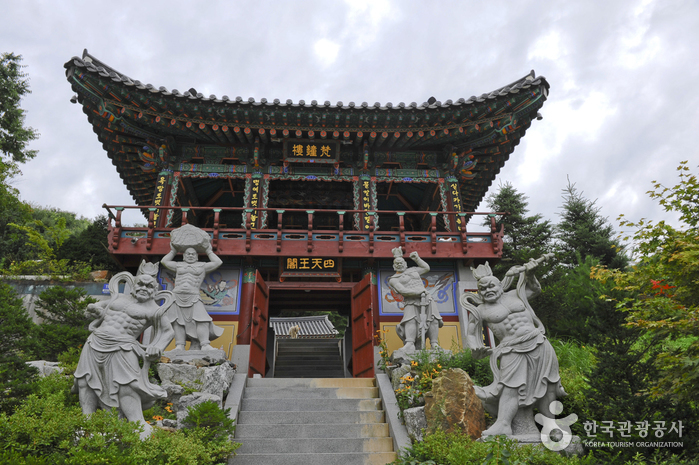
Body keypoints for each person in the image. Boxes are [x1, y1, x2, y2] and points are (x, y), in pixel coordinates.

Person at [462, 255, 565, 437]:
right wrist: (475, 347)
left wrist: (530, 274)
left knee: (548, 384)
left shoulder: (515, 294)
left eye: (491, 286)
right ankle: (503, 424)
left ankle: (551, 425)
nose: (487, 290)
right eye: (482, 288)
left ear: (500, 285)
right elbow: (471, 333)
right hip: (511, 348)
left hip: (538, 342)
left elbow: (535, 289)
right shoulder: (480, 310)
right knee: (510, 387)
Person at [73, 269, 174, 439]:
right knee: (85, 381)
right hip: (95, 341)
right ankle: (87, 422)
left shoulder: (154, 310)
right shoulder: (118, 298)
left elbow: (168, 331)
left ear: (155, 290)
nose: (144, 288)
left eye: (149, 286)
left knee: (127, 385)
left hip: (123, 347)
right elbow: (96, 308)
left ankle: (137, 423)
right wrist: (93, 309)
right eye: (140, 284)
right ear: (133, 285)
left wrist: (157, 346)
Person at [161, 241, 223, 351]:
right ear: (184, 256)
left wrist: (208, 250)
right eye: (188, 254)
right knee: (177, 321)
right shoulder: (178, 265)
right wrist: (173, 251)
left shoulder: (202, 266)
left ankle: (205, 344)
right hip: (177, 295)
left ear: (197, 256)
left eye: (193, 254)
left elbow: (218, 262)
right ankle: (180, 345)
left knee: (202, 320)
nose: (190, 255)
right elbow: (164, 261)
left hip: (193, 295)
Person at [388, 247, 443, 353]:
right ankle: (410, 343)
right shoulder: (394, 279)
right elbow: (402, 290)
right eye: (397, 263)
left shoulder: (413, 270)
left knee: (433, 319)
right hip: (411, 301)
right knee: (410, 320)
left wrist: (417, 259)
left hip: (426, 298)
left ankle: (434, 343)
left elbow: (426, 268)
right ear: (394, 266)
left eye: (401, 262)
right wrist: (418, 292)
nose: (399, 264)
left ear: (405, 263)